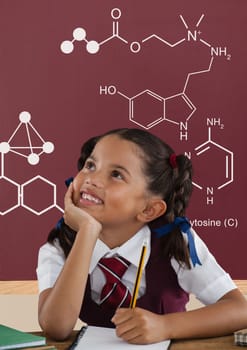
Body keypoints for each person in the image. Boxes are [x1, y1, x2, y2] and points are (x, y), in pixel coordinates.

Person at [36, 128, 247, 343]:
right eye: (90, 165)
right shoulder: (61, 245)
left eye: (116, 174)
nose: (92, 179)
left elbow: (240, 310)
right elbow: (56, 328)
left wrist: (166, 326)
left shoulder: (175, 242)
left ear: (149, 210)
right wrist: (87, 232)